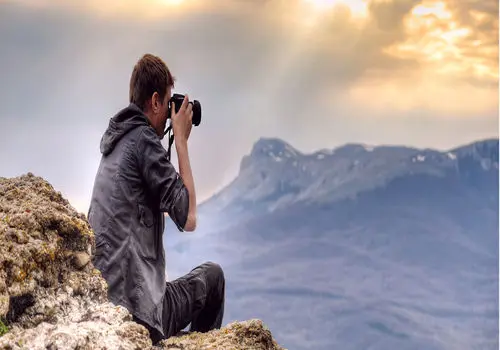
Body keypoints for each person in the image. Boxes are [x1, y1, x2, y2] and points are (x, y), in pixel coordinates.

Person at [87, 53, 225, 344]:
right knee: (212, 278)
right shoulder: (143, 142)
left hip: (105, 302)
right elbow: (188, 219)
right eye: (169, 102)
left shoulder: (116, 142)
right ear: (154, 101)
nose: (170, 113)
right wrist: (182, 142)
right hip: (139, 311)